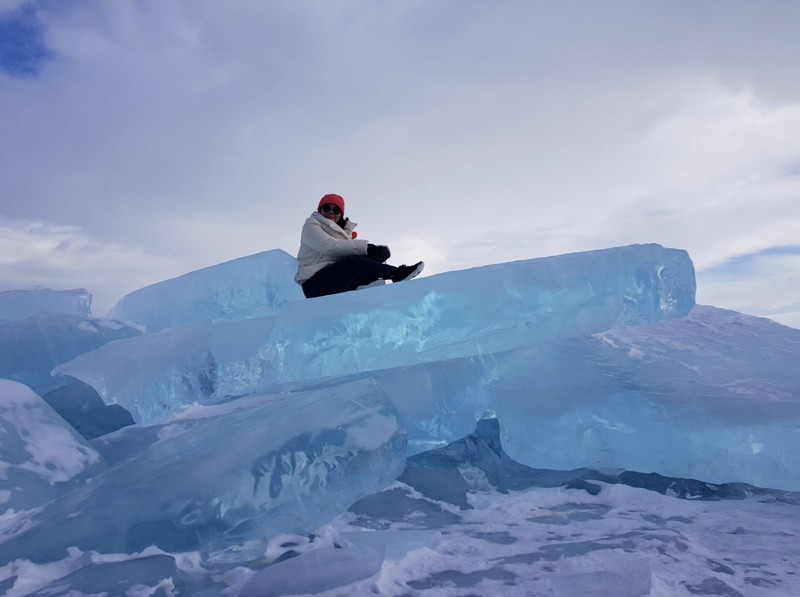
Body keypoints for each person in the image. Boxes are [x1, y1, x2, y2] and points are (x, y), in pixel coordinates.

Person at [295, 193, 425, 299]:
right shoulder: (311, 224)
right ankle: (396, 274)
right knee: (352, 262)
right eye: (327, 208)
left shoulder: (343, 234)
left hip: (336, 281)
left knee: (375, 255)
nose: (331, 212)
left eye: (336, 209)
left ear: (341, 214)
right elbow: (330, 246)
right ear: (320, 210)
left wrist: (377, 252)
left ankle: (366, 284)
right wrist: (367, 247)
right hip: (315, 285)